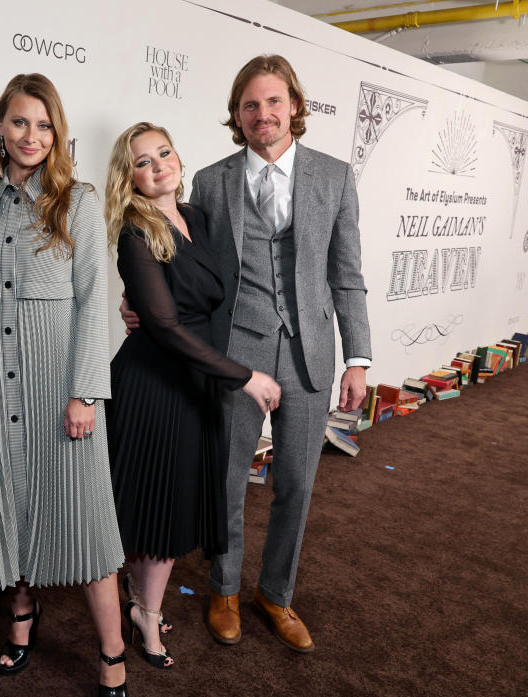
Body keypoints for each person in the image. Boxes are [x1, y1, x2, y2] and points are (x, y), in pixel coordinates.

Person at [152, 54, 372, 653]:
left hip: (308, 355)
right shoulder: (212, 181)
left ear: (295, 107)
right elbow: (190, 266)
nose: (263, 114)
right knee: (225, 481)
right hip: (237, 352)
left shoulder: (334, 176)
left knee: (296, 483)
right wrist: (148, 303)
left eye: (274, 102)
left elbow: (346, 275)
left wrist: (359, 358)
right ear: (238, 116)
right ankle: (224, 589)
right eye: (251, 105)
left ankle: (275, 594)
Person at [0, 73, 128, 696]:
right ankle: (22, 618)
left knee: (85, 520)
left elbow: (94, 300)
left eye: (44, 124)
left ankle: (112, 652)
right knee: (12, 507)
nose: (31, 136)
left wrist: (86, 392)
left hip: (61, 388)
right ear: (1, 128)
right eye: (19, 122)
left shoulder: (77, 201)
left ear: (57, 133)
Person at [105, 122, 282, 671]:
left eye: (164, 153)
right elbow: (163, 324)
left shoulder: (199, 219)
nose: (158, 165)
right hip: (155, 384)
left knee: (169, 506)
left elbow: (215, 298)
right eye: (142, 161)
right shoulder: (135, 232)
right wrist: (244, 376)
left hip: (197, 380)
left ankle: (141, 606)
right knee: (152, 511)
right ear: (127, 177)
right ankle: (145, 612)